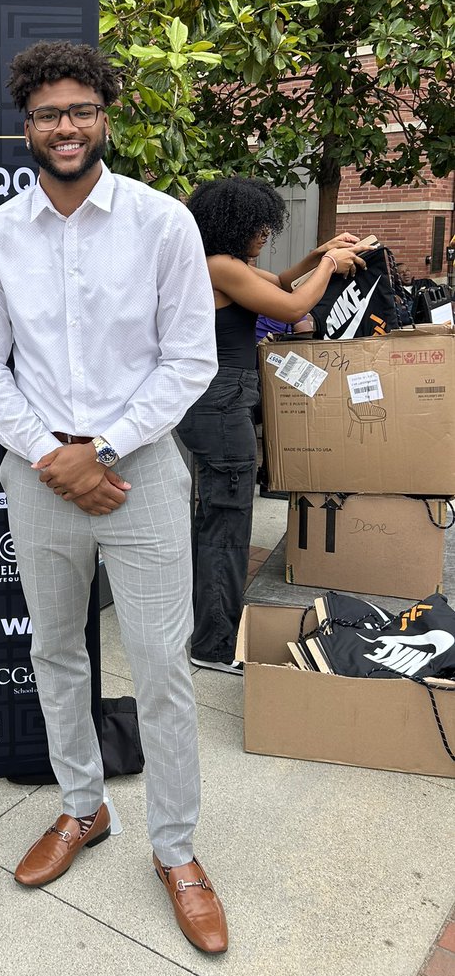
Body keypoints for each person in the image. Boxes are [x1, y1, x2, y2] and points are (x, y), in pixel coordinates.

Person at [0, 42, 227, 954]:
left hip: (142, 470)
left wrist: (102, 448)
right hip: (39, 478)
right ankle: (83, 809)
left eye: (80, 110)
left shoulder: (161, 225)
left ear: (106, 116)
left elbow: (190, 357)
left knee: (161, 665)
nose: (64, 127)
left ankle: (178, 850)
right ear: (24, 125)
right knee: (55, 652)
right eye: (46, 113)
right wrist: (50, 454)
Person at [176, 176, 364, 673]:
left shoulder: (228, 265)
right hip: (219, 405)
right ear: (232, 225)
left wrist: (316, 255)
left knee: (220, 517)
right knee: (226, 523)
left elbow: (280, 284)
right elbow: (293, 307)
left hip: (220, 402)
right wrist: (328, 264)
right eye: (258, 225)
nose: (265, 233)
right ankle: (213, 646)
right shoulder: (218, 266)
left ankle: (207, 629)